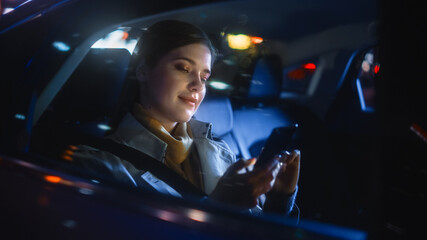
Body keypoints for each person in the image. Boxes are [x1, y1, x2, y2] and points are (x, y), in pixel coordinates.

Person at [75, 20, 300, 215]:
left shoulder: (219, 149)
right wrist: (218, 207)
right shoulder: (99, 165)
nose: (197, 86)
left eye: (204, 77)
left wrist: (279, 200)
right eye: (183, 68)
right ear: (143, 70)